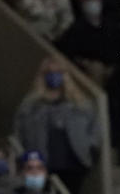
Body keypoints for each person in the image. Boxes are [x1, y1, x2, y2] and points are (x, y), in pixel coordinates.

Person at [13, 60, 98, 194]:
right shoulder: (30, 104)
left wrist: (90, 146)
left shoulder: (80, 103)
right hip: (40, 162)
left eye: (58, 72)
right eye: (49, 73)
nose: (53, 76)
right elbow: (19, 131)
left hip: (74, 161)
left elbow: (94, 129)